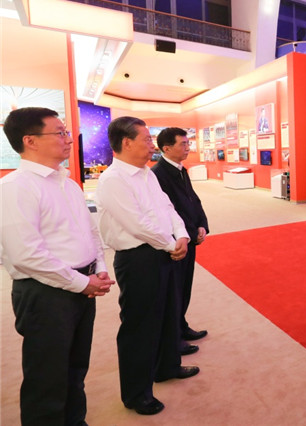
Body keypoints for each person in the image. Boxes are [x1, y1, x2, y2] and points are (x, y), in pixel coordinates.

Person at [1, 107, 114, 425]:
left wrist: (98, 266)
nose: (69, 139)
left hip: (81, 286)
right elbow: (26, 255)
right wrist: (82, 283)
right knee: (46, 379)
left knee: (75, 369)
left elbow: (90, 231)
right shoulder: (15, 187)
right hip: (45, 293)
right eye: (60, 133)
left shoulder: (69, 184)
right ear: (30, 141)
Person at [96, 116, 198, 416]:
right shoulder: (113, 179)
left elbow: (168, 207)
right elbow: (136, 224)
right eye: (146, 139)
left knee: (168, 313)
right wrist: (171, 243)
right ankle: (136, 394)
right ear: (126, 143)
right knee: (140, 327)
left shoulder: (147, 174)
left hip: (165, 250)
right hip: (138, 258)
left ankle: (167, 366)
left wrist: (181, 234)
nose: (152, 145)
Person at [152, 127, 210, 356]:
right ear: (167, 148)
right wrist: (190, 232)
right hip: (177, 243)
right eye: (183, 144)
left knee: (184, 287)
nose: (188, 147)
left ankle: (181, 326)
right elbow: (170, 211)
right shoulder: (158, 174)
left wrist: (202, 224)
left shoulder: (180, 169)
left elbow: (193, 201)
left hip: (189, 237)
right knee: (174, 292)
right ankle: (173, 337)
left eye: (188, 143)